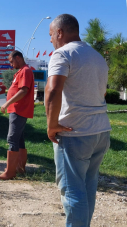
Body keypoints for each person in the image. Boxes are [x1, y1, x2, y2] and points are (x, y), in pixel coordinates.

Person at [45, 14, 111, 226]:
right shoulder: (96, 56)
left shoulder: (62, 54)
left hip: (75, 133)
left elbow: (54, 89)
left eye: (51, 34)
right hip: (100, 132)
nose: (50, 40)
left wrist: (52, 125)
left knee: (72, 192)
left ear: (60, 32)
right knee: (87, 187)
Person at [0, 50, 34, 180]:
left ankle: (10, 172)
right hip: (16, 110)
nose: (10, 64)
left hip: (18, 110)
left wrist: (7, 103)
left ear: (18, 58)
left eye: (11, 61)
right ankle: (19, 167)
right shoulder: (20, 72)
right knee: (19, 139)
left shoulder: (25, 71)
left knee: (12, 138)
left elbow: (23, 91)